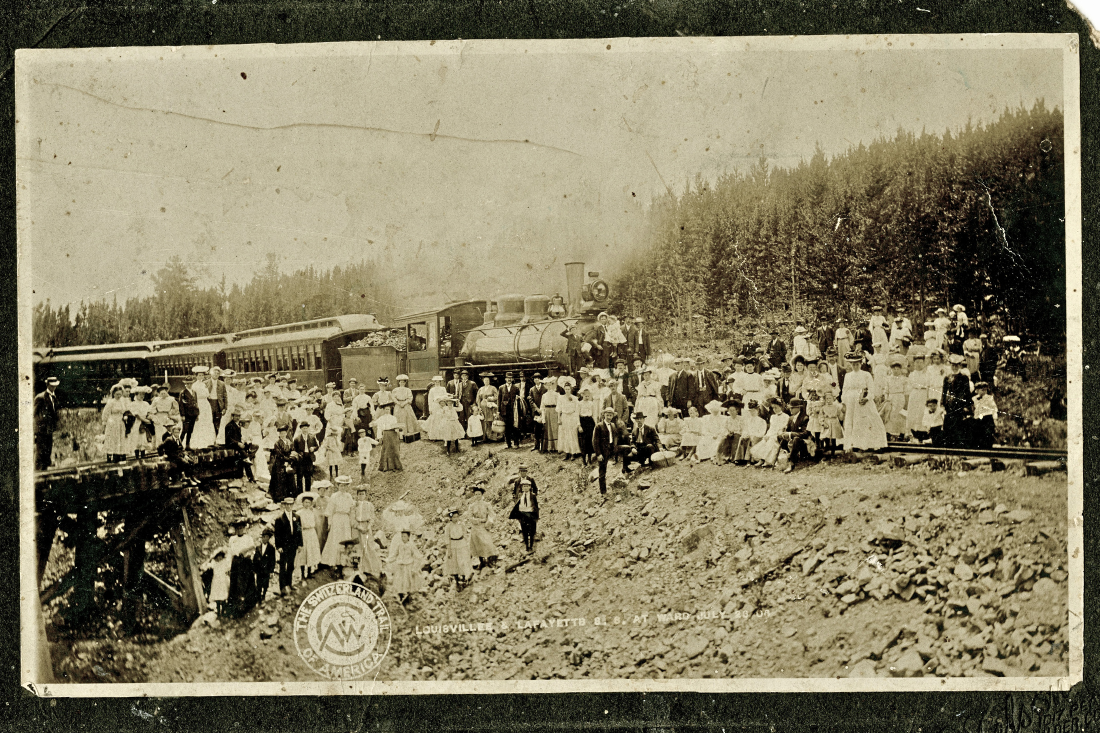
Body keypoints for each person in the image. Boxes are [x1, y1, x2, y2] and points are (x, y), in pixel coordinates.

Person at [840, 352, 888, 451]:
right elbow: (844, 390)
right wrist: (844, 402)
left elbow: (871, 389)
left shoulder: (866, 375)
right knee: (852, 422)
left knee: (866, 420)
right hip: (851, 402)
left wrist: (867, 398)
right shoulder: (848, 376)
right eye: (853, 364)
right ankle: (855, 444)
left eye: (857, 364)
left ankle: (870, 444)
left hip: (863, 401)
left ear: (860, 364)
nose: (855, 366)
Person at [941, 354, 974, 448]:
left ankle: (959, 446)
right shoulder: (947, 378)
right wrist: (943, 403)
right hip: (949, 404)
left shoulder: (964, 378)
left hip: (959, 404)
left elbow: (966, 392)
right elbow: (944, 392)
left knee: (959, 425)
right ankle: (949, 445)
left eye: (957, 365)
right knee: (948, 424)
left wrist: (966, 405)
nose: (954, 367)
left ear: (960, 366)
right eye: (953, 365)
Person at [227, 518, 257, 617]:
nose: (240, 530)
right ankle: (235, 609)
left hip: (246, 563)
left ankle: (249, 606)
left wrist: (246, 551)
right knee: (236, 585)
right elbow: (231, 552)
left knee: (246, 583)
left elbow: (252, 549)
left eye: (242, 528)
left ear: (244, 528)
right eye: (238, 528)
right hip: (236, 563)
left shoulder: (248, 538)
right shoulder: (232, 539)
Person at [320, 487, 356, 570]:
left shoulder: (348, 496)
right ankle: (334, 562)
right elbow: (330, 510)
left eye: (345, 485)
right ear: (339, 486)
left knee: (345, 538)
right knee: (335, 538)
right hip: (337, 518)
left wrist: (351, 522)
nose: (343, 487)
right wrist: (329, 523)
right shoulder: (334, 496)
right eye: (341, 485)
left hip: (345, 519)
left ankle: (345, 561)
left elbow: (351, 510)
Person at [386, 530, 425, 604]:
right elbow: (395, 554)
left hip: (408, 565)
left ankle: (407, 597)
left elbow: (417, 555)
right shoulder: (399, 545)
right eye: (402, 536)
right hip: (400, 565)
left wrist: (416, 566)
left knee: (407, 581)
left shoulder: (411, 545)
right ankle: (400, 596)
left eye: (405, 536)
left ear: (408, 537)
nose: (403, 538)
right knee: (399, 581)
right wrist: (389, 560)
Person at [750, 398, 790, 467]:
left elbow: (781, 428)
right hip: (771, 434)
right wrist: (767, 435)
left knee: (771, 440)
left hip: (779, 434)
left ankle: (765, 460)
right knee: (764, 440)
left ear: (781, 407)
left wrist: (772, 435)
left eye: (776, 408)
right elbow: (771, 428)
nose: (774, 409)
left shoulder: (785, 416)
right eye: (773, 408)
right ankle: (762, 460)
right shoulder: (773, 417)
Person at [592, 407, 622, 498]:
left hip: (611, 449)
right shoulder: (599, 426)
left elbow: (615, 436)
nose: (609, 417)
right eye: (607, 415)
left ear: (613, 416)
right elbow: (595, 441)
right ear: (604, 415)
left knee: (626, 449)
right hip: (603, 451)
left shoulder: (613, 425)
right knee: (602, 471)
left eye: (610, 415)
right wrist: (598, 454)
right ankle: (603, 491)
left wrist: (615, 446)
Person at [33, 376, 61, 471]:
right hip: (41, 430)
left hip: (49, 429)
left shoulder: (54, 397)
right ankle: (39, 471)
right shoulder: (40, 397)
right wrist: (38, 428)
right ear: (48, 385)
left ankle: (44, 470)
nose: (54, 388)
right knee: (40, 452)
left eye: (55, 386)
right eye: (52, 386)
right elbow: (34, 414)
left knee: (47, 451)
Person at [224, 406, 257, 483]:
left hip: (238, 445)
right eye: (236, 416)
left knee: (250, 447)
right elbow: (228, 439)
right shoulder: (229, 425)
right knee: (244, 455)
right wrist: (238, 443)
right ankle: (250, 476)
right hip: (231, 445)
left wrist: (243, 441)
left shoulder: (238, 425)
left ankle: (250, 477)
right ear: (233, 416)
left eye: (239, 416)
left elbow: (239, 437)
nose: (238, 417)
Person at [441, 508, 473, 588]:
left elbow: (465, 534)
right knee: (454, 562)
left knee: (463, 561)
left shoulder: (461, 524)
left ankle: (464, 578)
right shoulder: (448, 526)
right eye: (454, 517)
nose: (456, 519)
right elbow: (447, 538)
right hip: (453, 545)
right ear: (450, 518)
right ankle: (457, 581)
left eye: (457, 517)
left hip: (461, 544)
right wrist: (449, 549)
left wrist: (466, 544)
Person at [466, 485, 496, 567]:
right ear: (474, 495)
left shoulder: (487, 504)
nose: (477, 496)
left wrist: (489, 522)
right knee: (477, 544)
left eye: (479, 494)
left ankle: (490, 560)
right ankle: (482, 562)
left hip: (484, 526)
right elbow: (469, 517)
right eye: (476, 494)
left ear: (482, 495)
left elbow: (492, 514)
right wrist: (476, 521)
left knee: (487, 543)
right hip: (475, 527)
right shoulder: (471, 506)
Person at [882, 356, 910, 439]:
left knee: (900, 415)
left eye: (898, 369)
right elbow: (886, 391)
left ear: (901, 369)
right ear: (891, 369)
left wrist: (906, 402)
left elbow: (906, 392)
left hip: (900, 398)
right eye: (894, 369)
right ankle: (889, 433)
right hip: (891, 398)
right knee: (890, 415)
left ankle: (901, 433)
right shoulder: (888, 379)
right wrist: (887, 400)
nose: (896, 370)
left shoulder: (904, 379)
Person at [296, 492, 322, 579]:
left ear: (311, 503)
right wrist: (299, 534)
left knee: (311, 551)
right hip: (304, 533)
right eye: (305, 502)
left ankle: (310, 572)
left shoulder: (312, 512)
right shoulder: (299, 513)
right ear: (302, 502)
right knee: (304, 552)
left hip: (311, 533)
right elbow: (298, 526)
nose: (307, 504)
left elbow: (316, 523)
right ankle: (303, 574)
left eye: (309, 502)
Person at [267, 424, 296, 502]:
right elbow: (279, 454)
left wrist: (291, 459)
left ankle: (289, 495)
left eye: (284, 433)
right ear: (279, 434)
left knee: (289, 477)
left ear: (286, 433)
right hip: (280, 463)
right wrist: (287, 460)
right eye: (281, 433)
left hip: (288, 462)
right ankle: (279, 497)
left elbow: (292, 450)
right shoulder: (277, 443)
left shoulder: (289, 441)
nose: (283, 435)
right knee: (280, 479)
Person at [510, 479, 540, 553]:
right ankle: (527, 546)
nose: (525, 488)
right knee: (525, 531)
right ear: (522, 488)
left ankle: (531, 546)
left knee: (532, 531)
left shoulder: (533, 496)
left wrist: (536, 516)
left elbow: (536, 506)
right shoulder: (520, 495)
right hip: (523, 515)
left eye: (527, 486)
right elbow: (517, 504)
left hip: (531, 514)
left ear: (530, 487)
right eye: (524, 486)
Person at [102, 384, 130, 462]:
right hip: (112, 421)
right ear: (113, 394)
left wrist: (125, 416)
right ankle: (110, 455)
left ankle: (118, 454)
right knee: (112, 438)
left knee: (120, 438)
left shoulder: (122, 402)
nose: (118, 396)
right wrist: (105, 422)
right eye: (117, 394)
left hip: (120, 421)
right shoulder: (111, 402)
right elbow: (105, 413)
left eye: (120, 394)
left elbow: (126, 410)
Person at [126, 386, 155, 458]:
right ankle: (136, 455)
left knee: (143, 438)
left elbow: (149, 412)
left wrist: (149, 417)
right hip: (137, 422)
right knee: (136, 437)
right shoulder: (133, 404)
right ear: (136, 395)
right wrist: (144, 420)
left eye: (143, 395)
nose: (142, 396)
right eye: (140, 394)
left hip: (144, 423)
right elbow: (136, 415)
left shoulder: (146, 404)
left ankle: (143, 454)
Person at [557, 376, 582, 460]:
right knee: (565, 435)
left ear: (571, 389)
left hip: (572, 417)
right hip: (564, 417)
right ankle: (567, 452)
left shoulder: (575, 398)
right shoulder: (560, 398)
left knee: (572, 435)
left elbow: (577, 410)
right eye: (566, 389)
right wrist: (559, 419)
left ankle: (573, 453)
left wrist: (576, 420)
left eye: (568, 389)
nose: (567, 390)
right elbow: (559, 409)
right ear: (564, 389)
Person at [251, 526, 277, 606]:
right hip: (259, 570)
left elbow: (273, 560)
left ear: (269, 538)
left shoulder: (271, 548)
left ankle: (264, 596)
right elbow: (255, 559)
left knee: (265, 584)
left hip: (266, 570)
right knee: (258, 584)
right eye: (263, 537)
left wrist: (272, 571)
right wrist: (254, 568)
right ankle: (259, 598)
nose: (264, 538)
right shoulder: (258, 547)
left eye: (266, 537)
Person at [498, 372, 524, 448]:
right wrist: (498, 411)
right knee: (507, 428)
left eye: (510, 378)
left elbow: (519, 400)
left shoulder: (516, 388)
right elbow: (499, 400)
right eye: (507, 378)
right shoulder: (501, 388)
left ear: (512, 379)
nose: (509, 379)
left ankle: (516, 443)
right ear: (505, 379)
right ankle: (508, 444)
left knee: (515, 427)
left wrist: (519, 411)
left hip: (514, 411)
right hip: (505, 410)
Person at [374, 405, 404, 471]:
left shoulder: (393, 418)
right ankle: (386, 467)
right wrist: (380, 438)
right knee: (387, 449)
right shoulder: (381, 418)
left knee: (395, 449)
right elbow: (379, 428)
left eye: (388, 409)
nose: (387, 411)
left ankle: (396, 466)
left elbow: (396, 426)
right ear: (383, 410)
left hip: (393, 434)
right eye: (386, 409)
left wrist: (399, 432)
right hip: (386, 434)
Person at [392, 375, 421, 443]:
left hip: (406, 405)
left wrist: (404, 403)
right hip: (398, 405)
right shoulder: (395, 390)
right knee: (398, 417)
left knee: (407, 417)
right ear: (399, 382)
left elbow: (410, 398)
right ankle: (399, 434)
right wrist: (399, 403)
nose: (402, 383)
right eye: (401, 382)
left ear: (405, 383)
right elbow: (393, 398)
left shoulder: (408, 390)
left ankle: (408, 432)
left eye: (403, 382)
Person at [205, 549, 232, 617]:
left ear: (222, 556)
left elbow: (228, 568)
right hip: (216, 581)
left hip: (222, 580)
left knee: (223, 596)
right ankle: (219, 610)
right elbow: (207, 565)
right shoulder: (214, 563)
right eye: (218, 557)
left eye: (220, 556)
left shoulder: (224, 562)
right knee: (217, 597)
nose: (219, 558)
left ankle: (223, 610)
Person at [539, 377, 560, 453]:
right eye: (547, 385)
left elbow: (559, 405)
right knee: (548, 429)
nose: (549, 386)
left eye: (550, 385)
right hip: (547, 412)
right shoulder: (544, 395)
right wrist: (543, 417)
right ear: (545, 386)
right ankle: (550, 447)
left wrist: (558, 415)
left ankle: (557, 447)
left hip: (554, 411)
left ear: (552, 385)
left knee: (555, 428)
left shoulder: (557, 394)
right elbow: (542, 407)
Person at [527, 373, 546, 452]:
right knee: (536, 429)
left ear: (540, 379)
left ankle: (544, 445)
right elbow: (531, 400)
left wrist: (542, 409)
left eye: (538, 378)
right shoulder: (532, 389)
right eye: (535, 379)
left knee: (544, 428)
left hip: (544, 410)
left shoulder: (545, 388)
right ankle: (536, 445)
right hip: (536, 412)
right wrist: (537, 409)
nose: (536, 380)